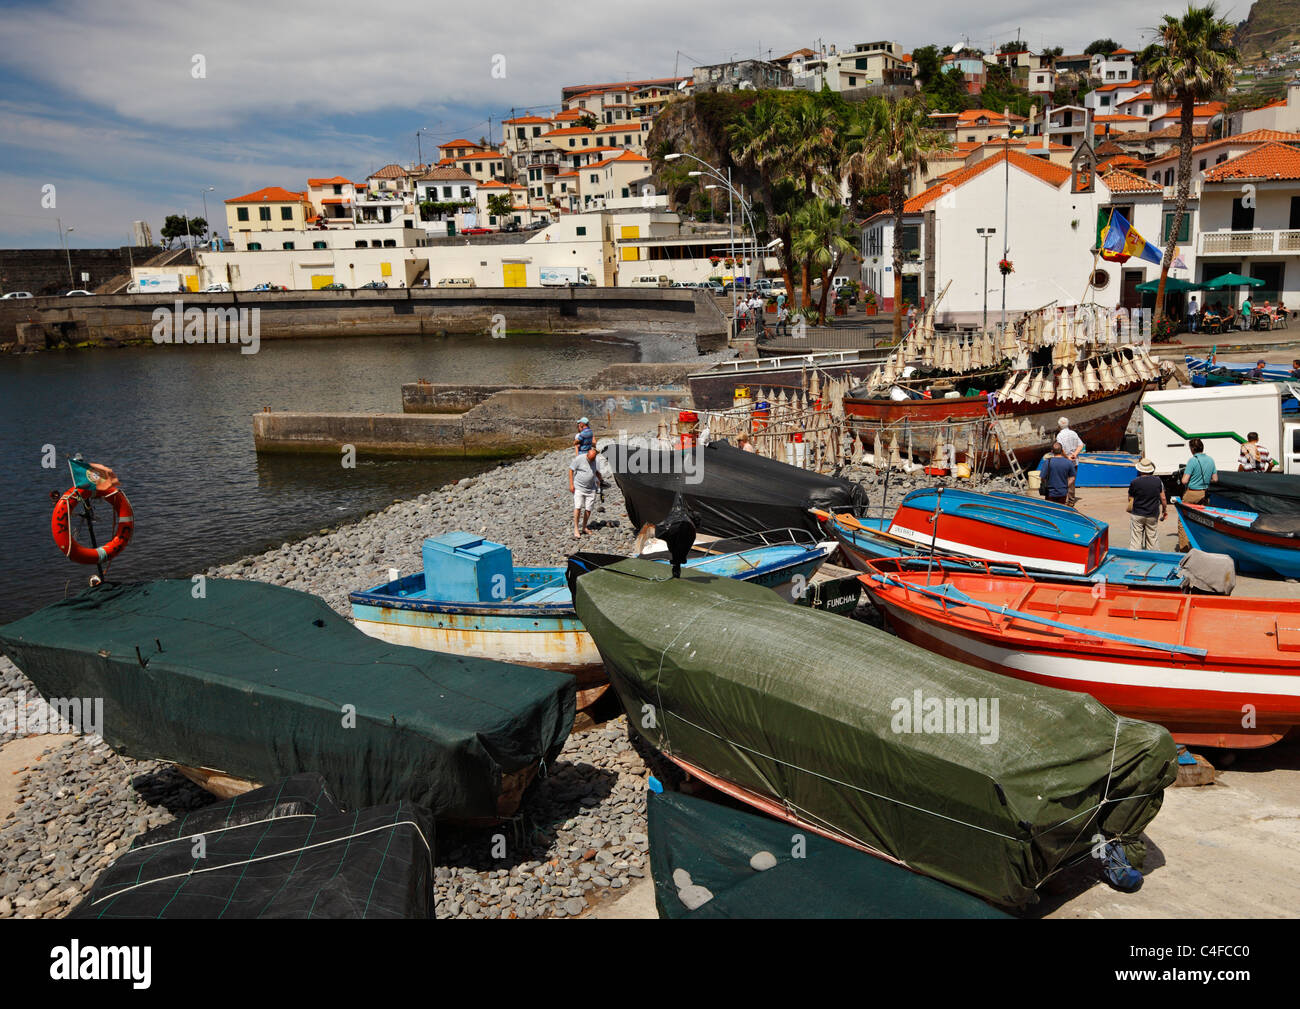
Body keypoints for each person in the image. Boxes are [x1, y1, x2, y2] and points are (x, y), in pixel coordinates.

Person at [1178, 437, 1218, 550]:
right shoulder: (1211, 460)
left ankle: (1184, 548)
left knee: (1183, 520)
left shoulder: (1193, 460)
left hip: (1192, 494)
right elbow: (1215, 479)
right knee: (1204, 520)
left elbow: (1184, 481)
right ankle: (1204, 546)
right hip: (1205, 494)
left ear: (1192, 449)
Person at [1127, 457, 1167, 551]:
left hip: (1137, 514)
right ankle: (1153, 559)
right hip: (1152, 514)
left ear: (1140, 469)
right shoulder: (1158, 481)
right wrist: (1164, 510)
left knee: (1136, 539)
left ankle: (1136, 559)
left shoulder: (1134, 482)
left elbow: (1130, 498)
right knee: (1152, 539)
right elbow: (1163, 498)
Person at [569, 446, 607, 538]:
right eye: (590, 458)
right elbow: (571, 470)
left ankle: (584, 527)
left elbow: (596, 472)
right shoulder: (579, 459)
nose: (591, 460)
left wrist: (601, 480)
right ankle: (576, 529)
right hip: (579, 487)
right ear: (587, 454)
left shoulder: (595, 460)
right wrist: (571, 484)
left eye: (593, 459)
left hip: (591, 489)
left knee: (588, 509)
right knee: (578, 507)